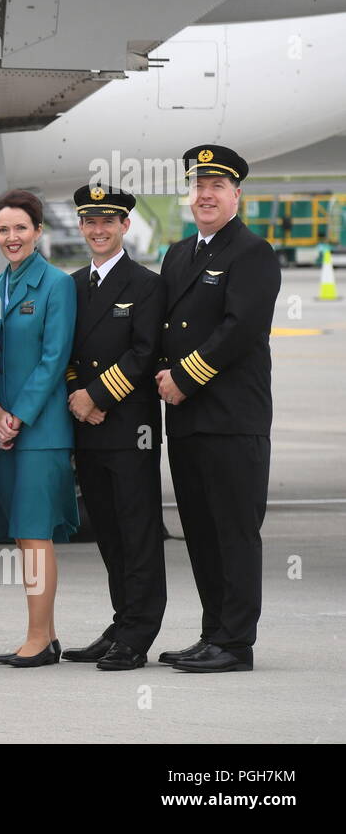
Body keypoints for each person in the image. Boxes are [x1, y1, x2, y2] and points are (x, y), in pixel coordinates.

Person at [156, 144, 280, 673]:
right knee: (202, 533)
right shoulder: (179, 254)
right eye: (199, 186)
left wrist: (182, 378)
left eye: (217, 187)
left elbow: (239, 330)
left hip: (232, 420)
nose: (205, 195)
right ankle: (213, 633)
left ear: (236, 195)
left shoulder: (253, 252)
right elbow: (165, 327)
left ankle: (236, 643)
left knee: (233, 531)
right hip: (187, 424)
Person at [61, 185, 167, 671]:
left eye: (108, 221)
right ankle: (122, 620)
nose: (98, 230)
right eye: (89, 222)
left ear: (125, 225)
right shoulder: (73, 284)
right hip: (88, 427)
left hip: (129, 429)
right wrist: (78, 399)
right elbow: (64, 351)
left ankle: (139, 633)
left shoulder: (146, 284)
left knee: (137, 530)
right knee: (107, 531)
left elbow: (144, 353)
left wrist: (96, 396)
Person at [0, 190, 79, 668]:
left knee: (34, 531)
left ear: (38, 232)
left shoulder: (56, 286)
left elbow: (53, 359)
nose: (12, 237)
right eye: (3, 229)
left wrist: (17, 414)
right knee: (21, 535)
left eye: (21, 228)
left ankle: (38, 638)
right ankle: (48, 633)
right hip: (3, 427)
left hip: (40, 430)